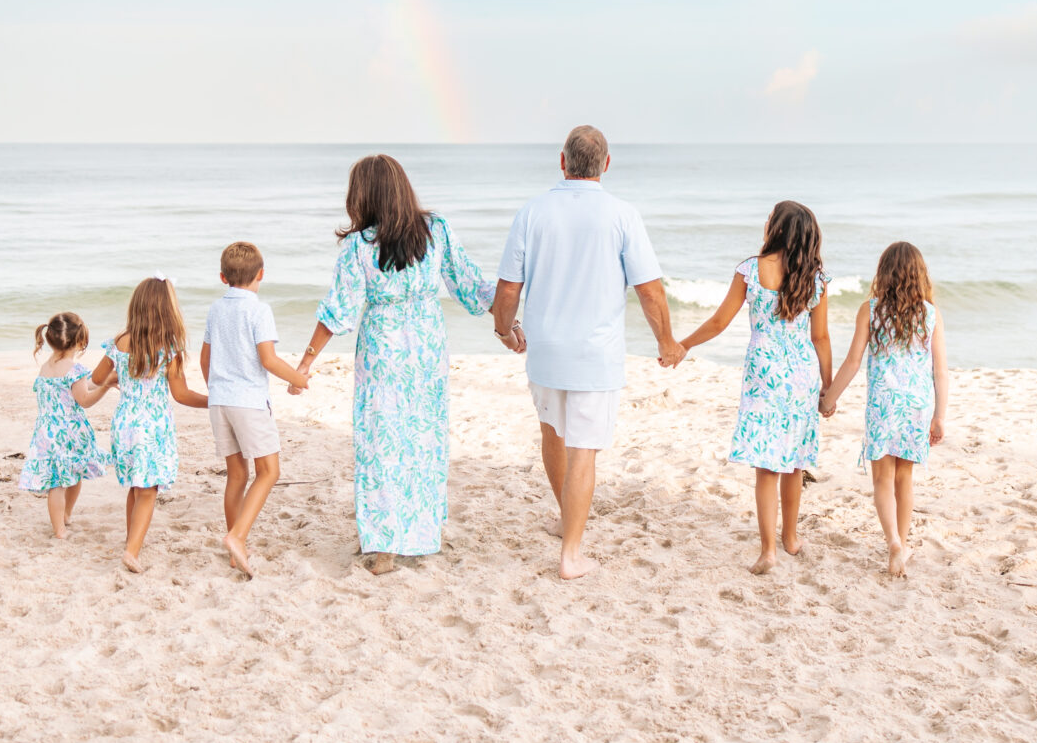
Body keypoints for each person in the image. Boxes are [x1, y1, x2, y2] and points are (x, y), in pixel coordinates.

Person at [492, 125, 683, 580]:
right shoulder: (622, 215)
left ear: (562, 161)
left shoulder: (532, 212)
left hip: (545, 350)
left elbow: (507, 287)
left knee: (553, 435)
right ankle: (571, 554)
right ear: (607, 164)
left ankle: (565, 520)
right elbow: (650, 291)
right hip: (594, 355)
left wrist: (504, 330)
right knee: (583, 451)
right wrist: (666, 341)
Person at [294, 155, 496, 575]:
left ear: (362, 196)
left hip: (382, 350)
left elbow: (338, 310)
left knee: (379, 442)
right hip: (426, 348)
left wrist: (306, 361)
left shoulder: (358, 246)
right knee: (423, 439)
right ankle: (419, 537)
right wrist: (510, 319)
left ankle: (384, 545)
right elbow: (472, 285)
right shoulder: (435, 230)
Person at [675, 202, 833, 574]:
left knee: (766, 466)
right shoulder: (816, 279)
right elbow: (821, 338)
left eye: (769, 219)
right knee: (794, 463)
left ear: (776, 228)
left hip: (764, 375)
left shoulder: (751, 269)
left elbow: (718, 322)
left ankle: (768, 551)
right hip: (801, 378)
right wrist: (828, 387)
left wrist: (684, 345)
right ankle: (791, 539)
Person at [821, 241, 948, 578]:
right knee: (905, 478)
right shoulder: (930, 314)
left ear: (884, 272)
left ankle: (892, 539)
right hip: (916, 406)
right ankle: (901, 547)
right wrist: (939, 415)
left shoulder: (870, 309)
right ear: (919, 275)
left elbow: (852, 361)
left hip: (883, 405)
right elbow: (940, 370)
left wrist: (829, 399)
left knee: (882, 479)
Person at [201, 241, 310, 578]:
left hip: (219, 400)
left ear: (222, 277)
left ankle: (238, 550)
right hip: (248, 401)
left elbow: (205, 360)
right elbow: (268, 360)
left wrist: (218, 388)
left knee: (236, 475)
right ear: (261, 274)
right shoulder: (259, 310)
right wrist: (299, 379)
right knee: (269, 471)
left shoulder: (215, 310)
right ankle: (237, 536)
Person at [88, 276, 209, 573]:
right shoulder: (169, 349)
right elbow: (181, 395)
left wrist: (118, 378)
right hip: (152, 425)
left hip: (125, 423)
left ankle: (132, 541)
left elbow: (95, 378)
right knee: (148, 489)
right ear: (168, 309)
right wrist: (212, 401)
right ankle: (132, 552)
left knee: (135, 486)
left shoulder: (120, 342)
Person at [17, 311, 113, 539]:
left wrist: (97, 383)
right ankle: (62, 523)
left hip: (46, 432)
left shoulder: (46, 369)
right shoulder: (75, 370)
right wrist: (106, 386)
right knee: (72, 476)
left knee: (56, 481)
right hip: (69, 433)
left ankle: (62, 522)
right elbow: (84, 400)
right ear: (79, 341)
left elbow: (74, 388)